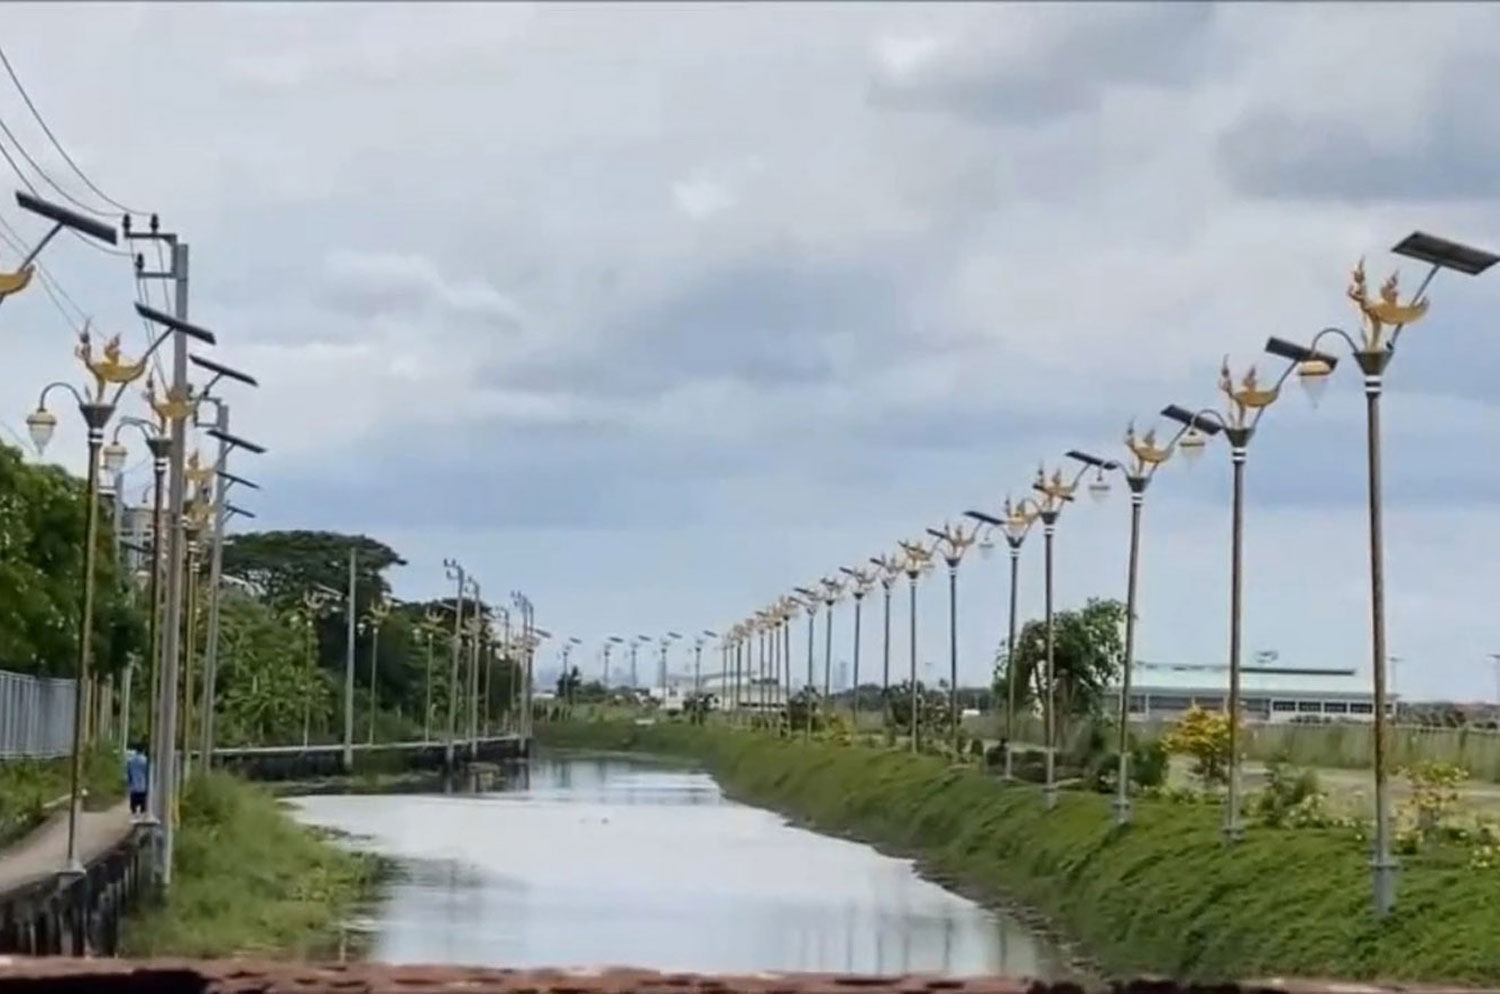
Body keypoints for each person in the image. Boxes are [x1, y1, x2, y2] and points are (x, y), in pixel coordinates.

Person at [125, 742, 149, 818]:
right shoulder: (145, 761)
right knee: (143, 809)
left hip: (134, 788)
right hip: (143, 787)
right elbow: (147, 773)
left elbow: (129, 773)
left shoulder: (131, 760)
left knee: (133, 809)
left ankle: (134, 822)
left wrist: (129, 783)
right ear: (143, 750)